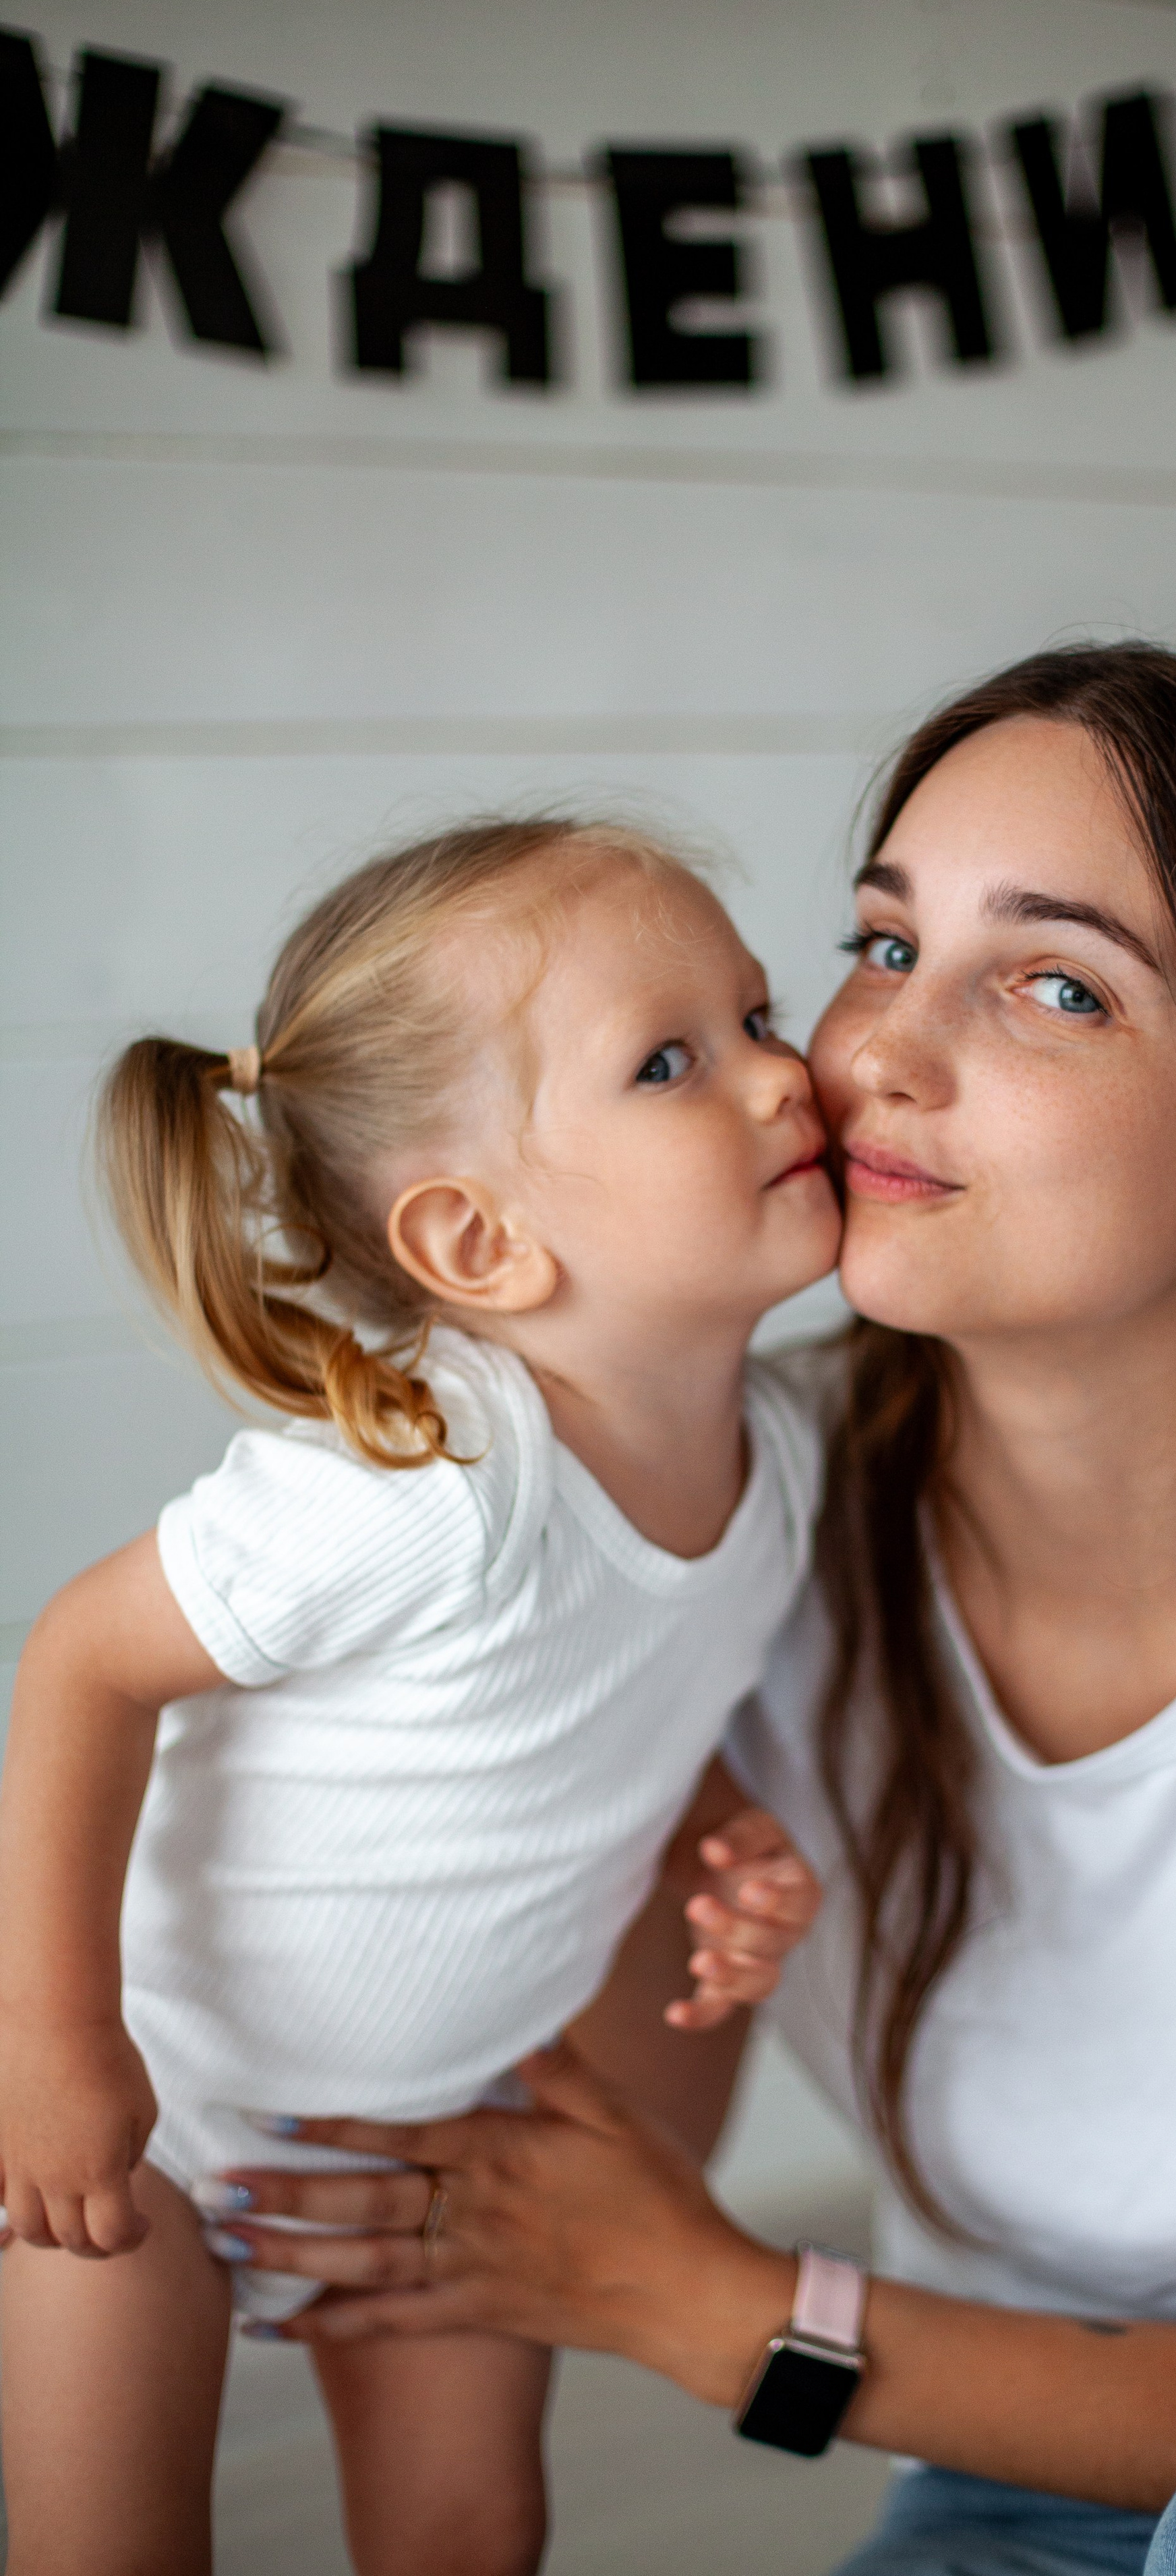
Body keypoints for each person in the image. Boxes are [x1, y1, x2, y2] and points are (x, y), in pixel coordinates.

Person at [199, 652, 1176, 2573]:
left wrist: (717, 2309)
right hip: (1023, 2463)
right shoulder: (727, 1511)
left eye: (1057, 986)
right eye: (884, 944)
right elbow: (595, 2118)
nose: (869, 1059)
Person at [0, 816, 842, 2576]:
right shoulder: (433, 1480)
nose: (784, 1076)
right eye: (671, 1060)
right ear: (478, 1239)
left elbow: (602, 1703)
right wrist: (53, 2042)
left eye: (760, 1016)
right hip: (149, 2126)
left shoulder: (779, 1467)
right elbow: (84, 1660)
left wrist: (726, 1833)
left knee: (474, 2533)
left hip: (434, 2138)